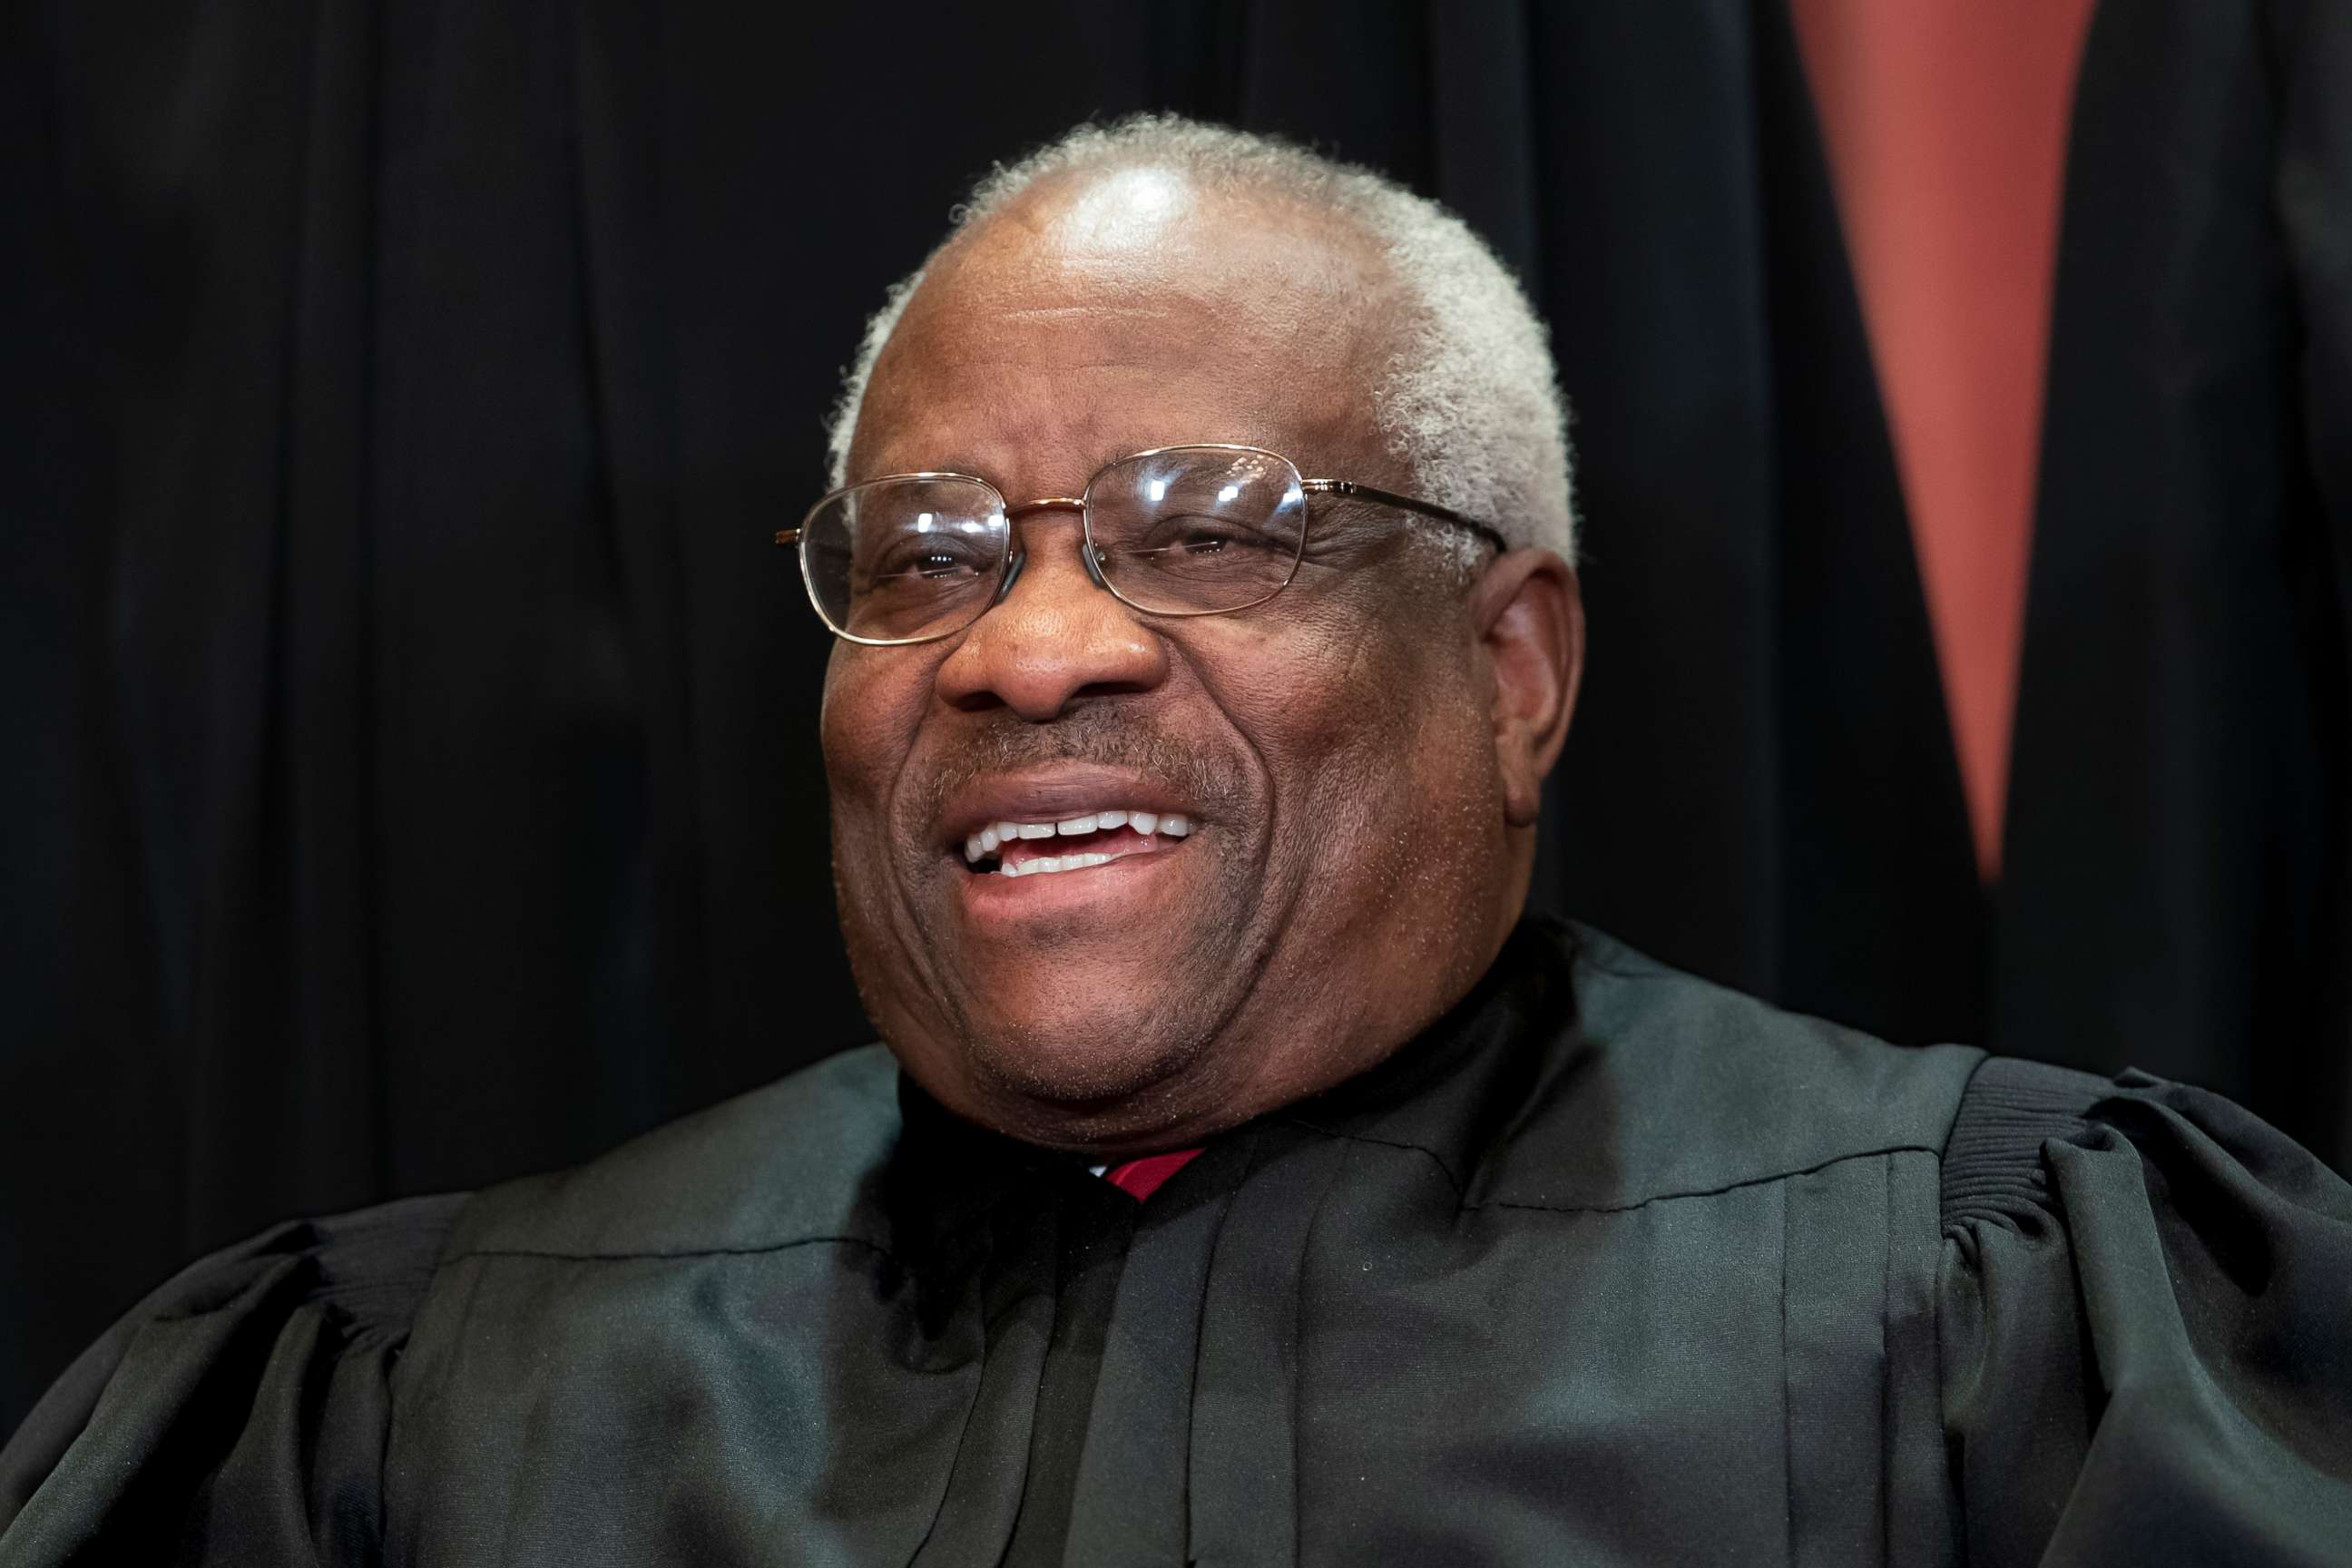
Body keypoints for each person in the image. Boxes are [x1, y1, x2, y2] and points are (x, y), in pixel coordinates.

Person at [4, 113, 2347, 1567]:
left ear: (1512, 669)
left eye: (1205, 527)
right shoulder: (409, 1421)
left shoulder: (1988, 1336)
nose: (1025, 649)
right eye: (921, 550)